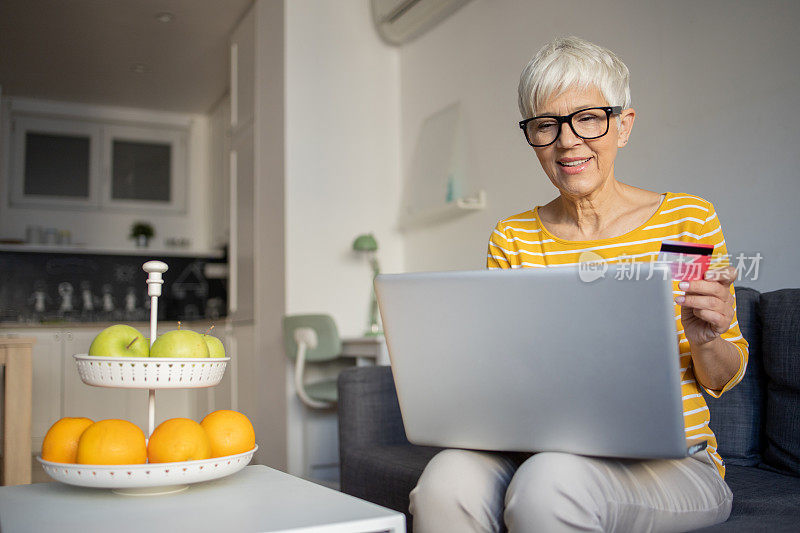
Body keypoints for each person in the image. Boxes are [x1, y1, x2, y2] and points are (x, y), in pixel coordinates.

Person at [409, 36, 748, 533]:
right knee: (445, 479)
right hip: (538, 449)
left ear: (623, 125)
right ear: (532, 137)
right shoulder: (514, 237)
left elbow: (721, 378)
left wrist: (706, 340)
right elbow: (504, 375)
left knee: (553, 480)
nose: (567, 141)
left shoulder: (686, 222)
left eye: (588, 117)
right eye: (546, 125)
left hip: (675, 463)